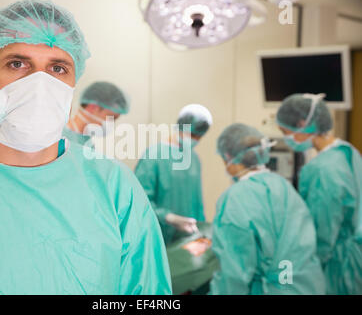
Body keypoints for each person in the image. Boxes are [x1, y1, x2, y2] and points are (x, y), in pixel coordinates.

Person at [0, 0, 171, 295]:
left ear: (73, 84)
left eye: (58, 68)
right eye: (17, 64)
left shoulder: (115, 188)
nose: (39, 83)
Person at [209, 123, 325, 295]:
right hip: (307, 285)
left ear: (230, 159)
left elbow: (233, 275)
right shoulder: (283, 186)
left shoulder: (235, 199)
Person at [277, 93, 362, 295]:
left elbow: (322, 232)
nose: (285, 137)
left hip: (337, 267)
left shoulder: (323, 170)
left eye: (285, 131)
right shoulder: (348, 151)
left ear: (301, 124)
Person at [134, 104, 213, 245]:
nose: (195, 139)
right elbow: (138, 201)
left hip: (189, 239)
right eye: (192, 134)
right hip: (158, 238)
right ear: (181, 127)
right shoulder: (154, 155)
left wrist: (201, 231)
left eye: (199, 137)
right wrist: (168, 217)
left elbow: (197, 203)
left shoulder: (193, 158)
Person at [64, 81, 129, 147]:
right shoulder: (59, 135)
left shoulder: (88, 145)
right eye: (110, 117)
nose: (111, 123)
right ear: (92, 107)